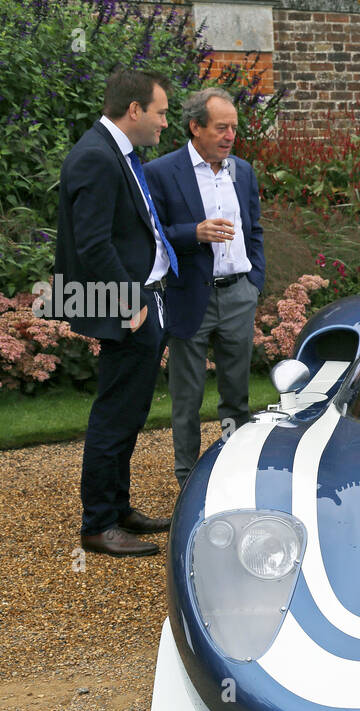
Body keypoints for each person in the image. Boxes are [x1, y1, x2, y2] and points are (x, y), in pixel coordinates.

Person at [55, 70, 178, 558]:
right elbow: (92, 243)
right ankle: (99, 525)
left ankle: (118, 508)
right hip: (127, 305)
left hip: (145, 299)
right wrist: (129, 302)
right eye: (161, 112)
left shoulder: (116, 153)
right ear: (134, 110)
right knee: (114, 414)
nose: (165, 123)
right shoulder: (95, 158)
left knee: (130, 411)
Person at [145, 89, 266, 488]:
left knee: (237, 397)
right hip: (189, 295)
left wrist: (254, 282)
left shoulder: (243, 171)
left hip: (238, 296)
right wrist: (193, 233)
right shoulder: (163, 171)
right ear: (195, 127)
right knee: (187, 398)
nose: (230, 135)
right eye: (221, 127)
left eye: (234, 127)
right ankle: (188, 481)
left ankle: (234, 474)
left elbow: (255, 231)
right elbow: (152, 235)